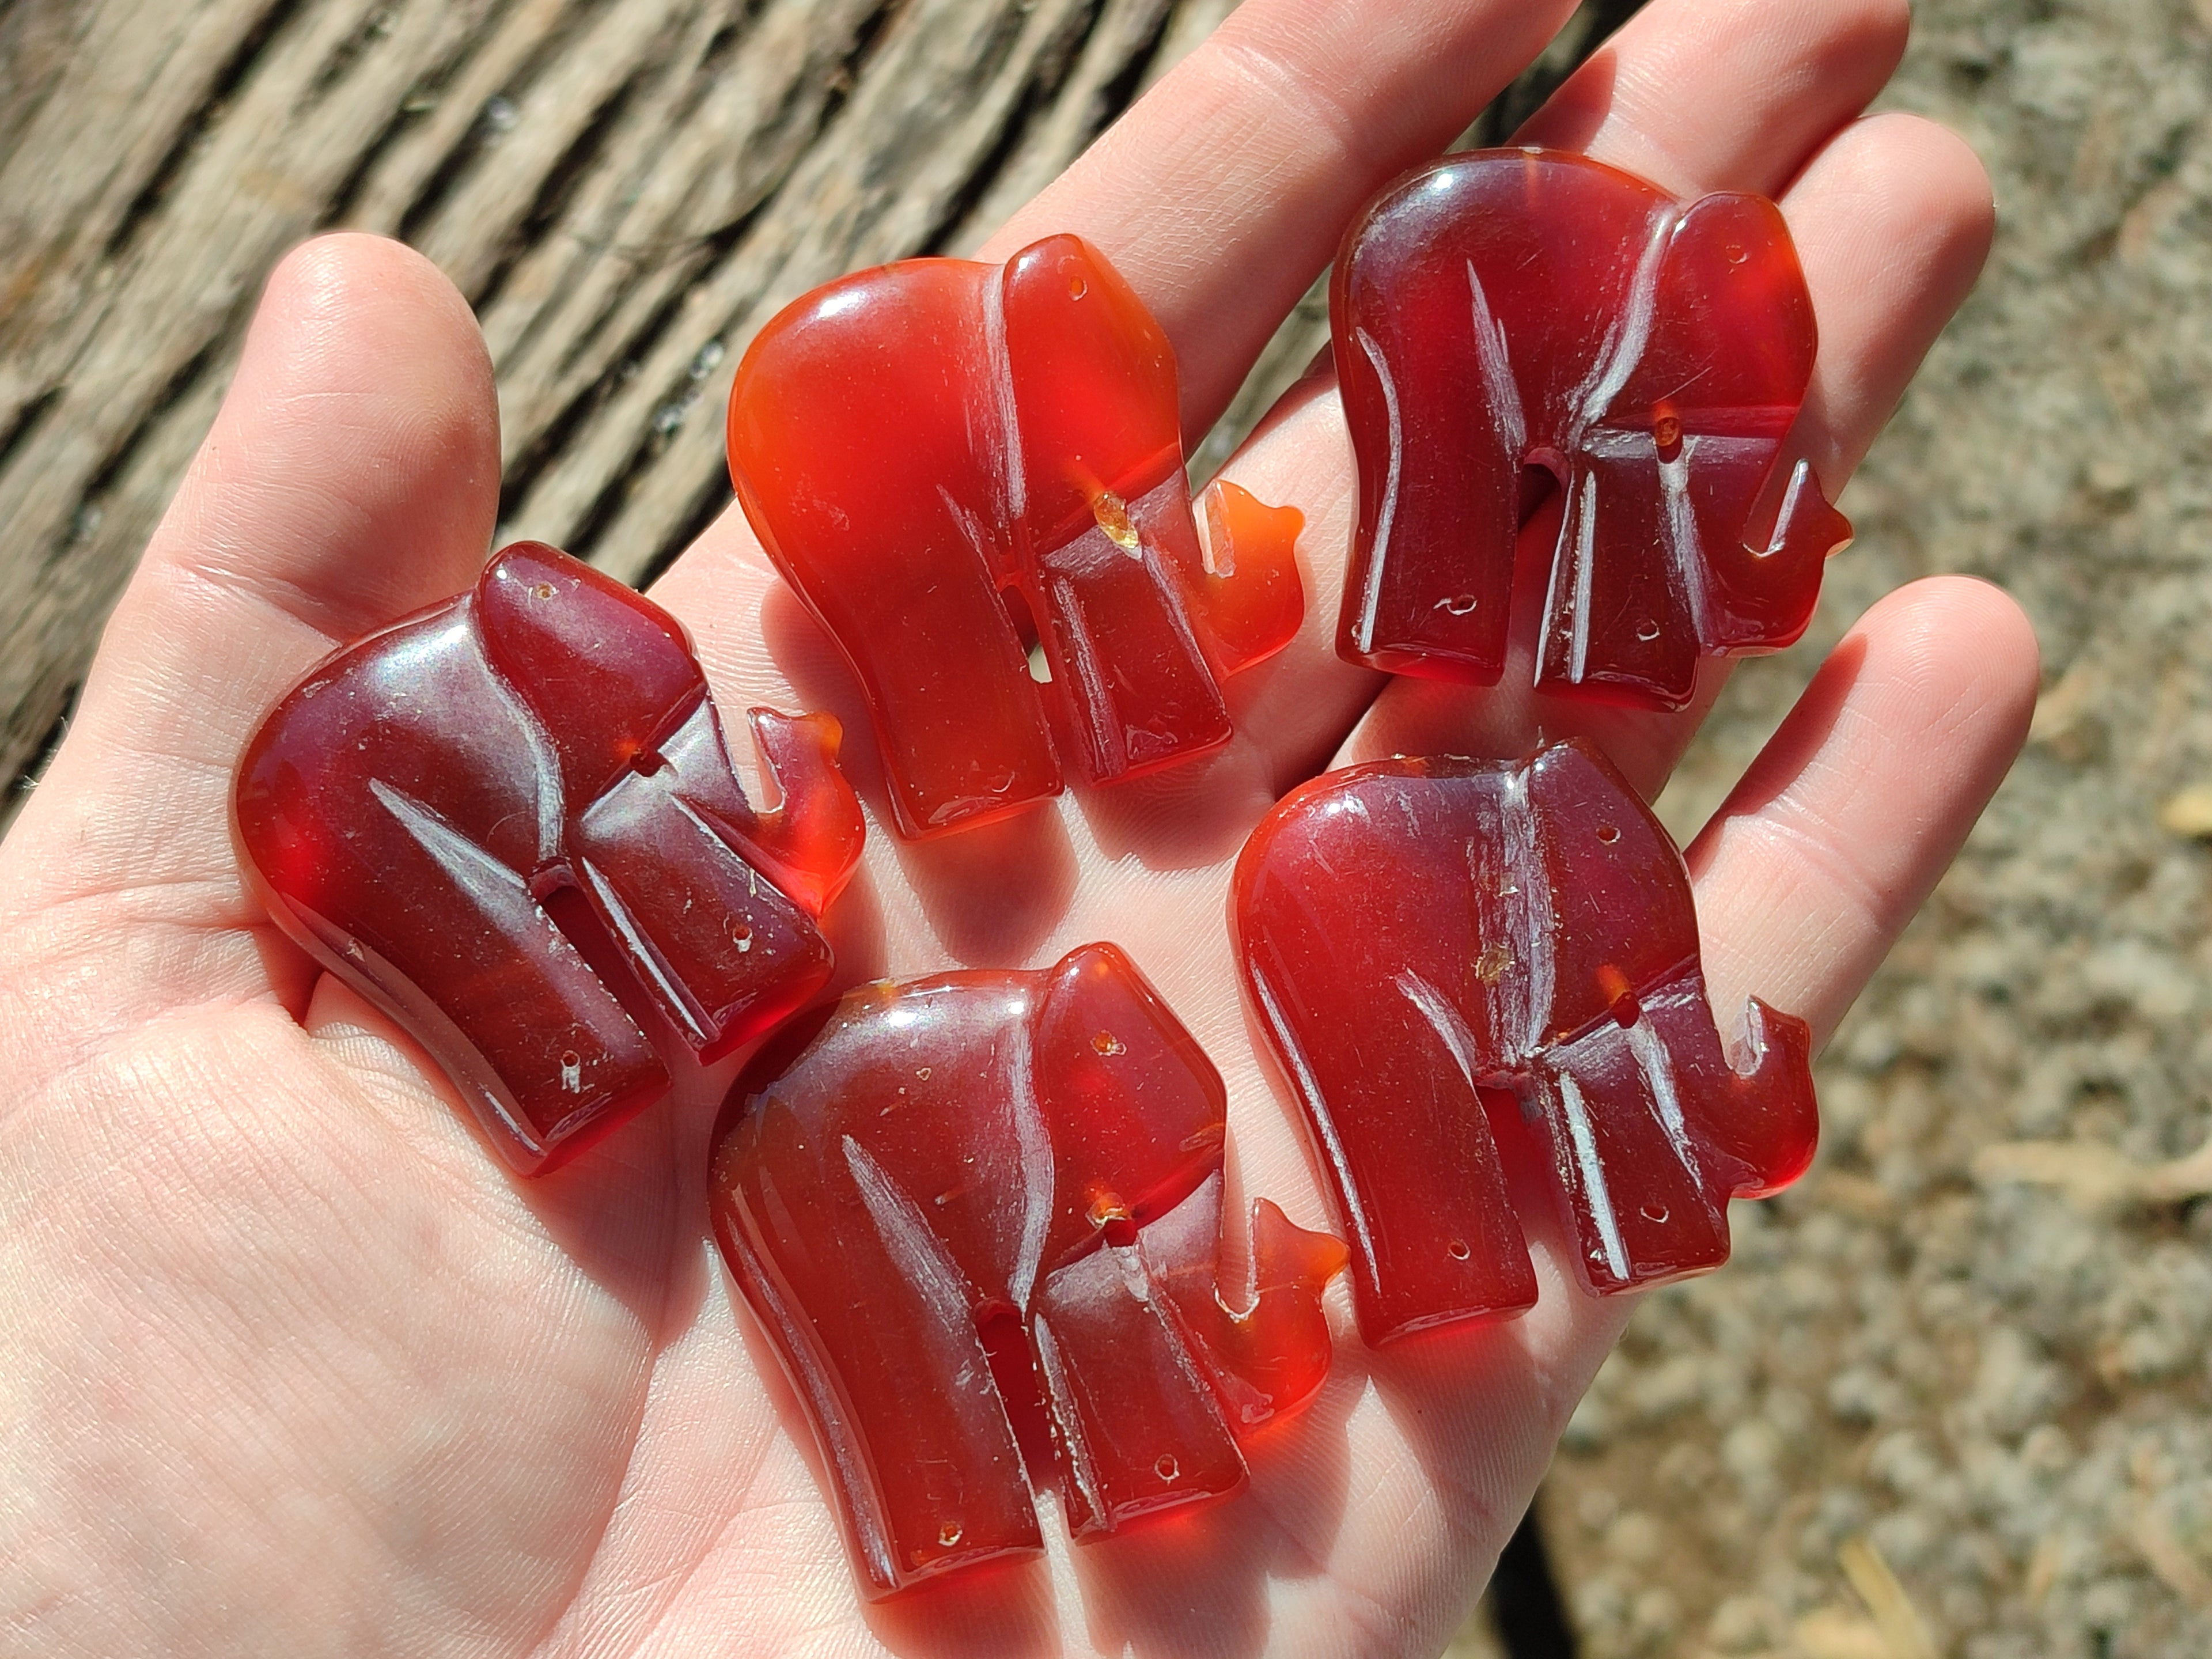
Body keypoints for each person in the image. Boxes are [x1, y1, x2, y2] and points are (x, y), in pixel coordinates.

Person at [0, 0, 2035, 1652]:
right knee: (713, 951)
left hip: (1184, 949)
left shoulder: (1526, 376)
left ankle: (950, 1352)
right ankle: (614, 1061)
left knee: (1029, 1192)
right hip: (796, 903)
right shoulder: (464, 743)